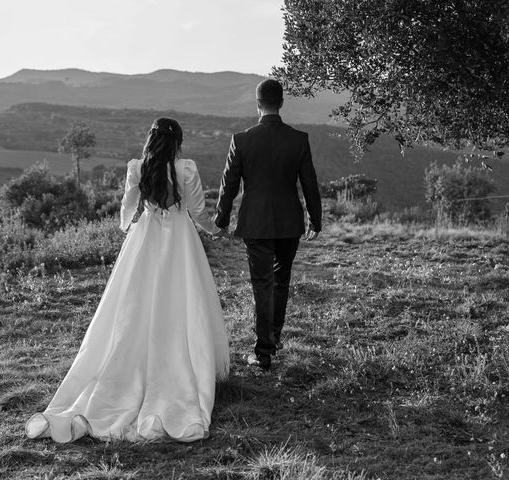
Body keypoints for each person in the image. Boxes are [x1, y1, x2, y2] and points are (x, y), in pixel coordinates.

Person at [25, 118, 229, 443]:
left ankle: (123, 374)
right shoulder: (185, 169)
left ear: (150, 139)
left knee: (134, 303)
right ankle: (182, 365)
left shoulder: (137, 167)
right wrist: (216, 230)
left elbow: (126, 208)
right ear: (178, 142)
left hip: (144, 237)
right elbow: (197, 211)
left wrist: (127, 228)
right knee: (182, 301)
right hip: (179, 238)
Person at [214, 79, 322, 370]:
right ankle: (273, 340)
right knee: (281, 281)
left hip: (256, 223)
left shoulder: (242, 139)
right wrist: (316, 218)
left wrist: (220, 221)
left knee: (262, 285)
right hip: (289, 223)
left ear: (258, 104)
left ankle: (262, 353)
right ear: (282, 103)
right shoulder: (299, 139)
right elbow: (309, 183)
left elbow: (229, 186)